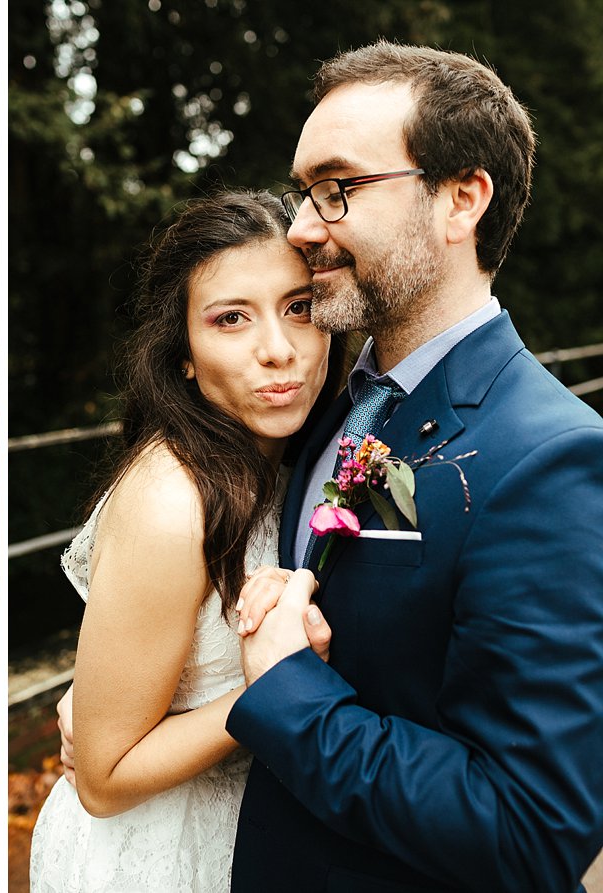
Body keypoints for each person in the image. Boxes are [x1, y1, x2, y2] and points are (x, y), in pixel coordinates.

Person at [227, 41, 603, 892]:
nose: (298, 227)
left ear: (461, 198)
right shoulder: (329, 402)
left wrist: (289, 693)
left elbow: (530, 827)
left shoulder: (550, 458)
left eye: (337, 189)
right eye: (301, 193)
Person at [29, 190, 343, 892]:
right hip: (160, 854)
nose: (278, 350)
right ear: (186, 358)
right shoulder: (174, 501)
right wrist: (280, 690)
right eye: (231, 319)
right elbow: (103, 778)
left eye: (299, 307)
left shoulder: (298, 460)